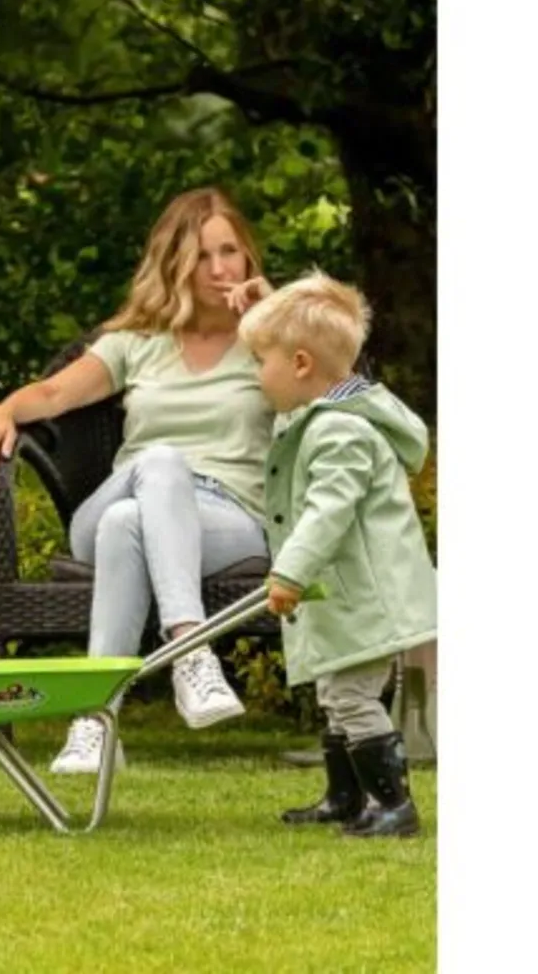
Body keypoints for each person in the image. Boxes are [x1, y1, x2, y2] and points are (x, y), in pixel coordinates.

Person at [0, 186, 277, 774]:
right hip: (138, 483)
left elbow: (331, 385)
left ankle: (95, 721)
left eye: (229, 252)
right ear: (175, 265)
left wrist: (278, 315)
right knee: (159, 465)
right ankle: (191, 650)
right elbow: (54, 394)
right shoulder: (137, 342)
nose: (219, 269)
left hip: (230, 519)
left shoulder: (269, 341)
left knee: (125, 524)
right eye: (201, 256)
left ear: (248, 257)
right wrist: (2, 410)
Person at [238, 270, 436, 837]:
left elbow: (329, 510)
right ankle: (345, 798)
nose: (257, 374)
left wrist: (290, 571)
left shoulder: (340, 433)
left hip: (368, 598)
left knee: (350, 695)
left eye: (261, 361)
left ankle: (393, 805)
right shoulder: (324, 419)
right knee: (336, 690)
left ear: (301, 364)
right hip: (349, 596)